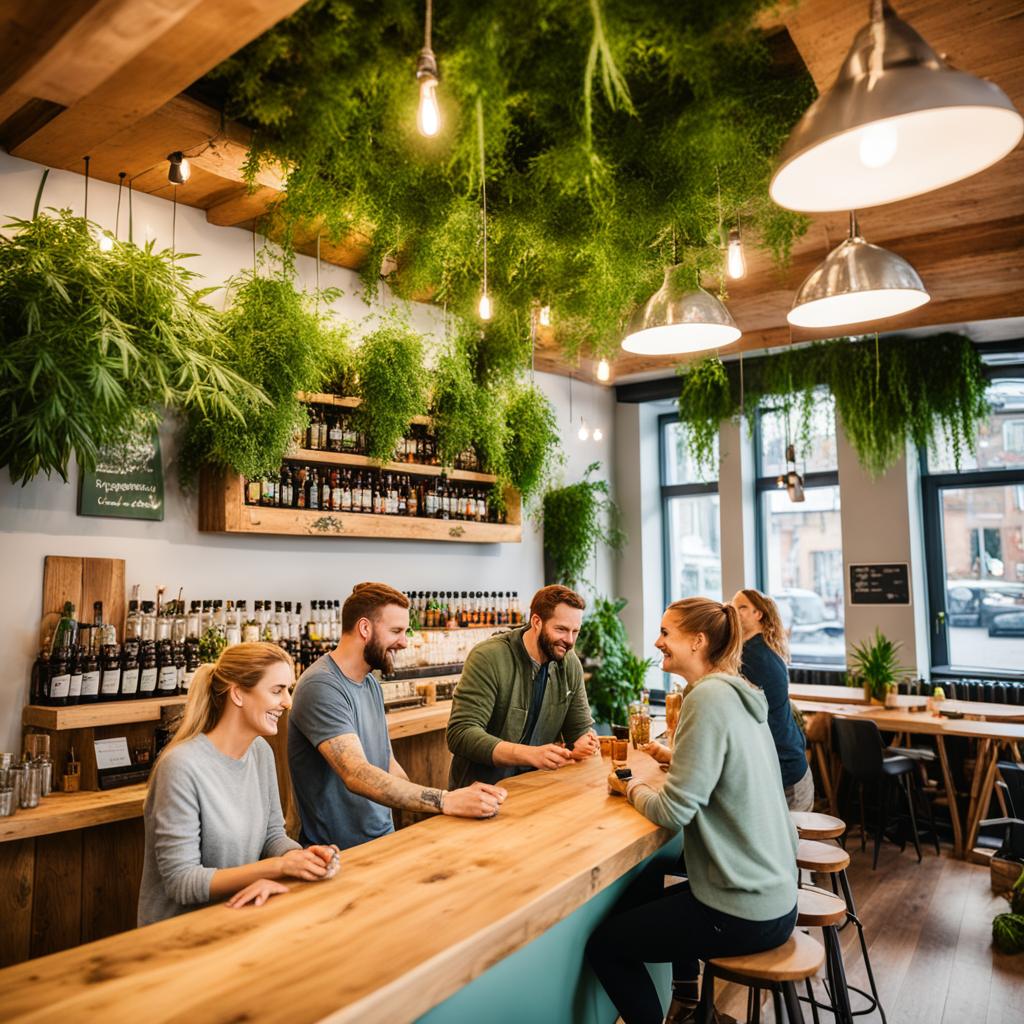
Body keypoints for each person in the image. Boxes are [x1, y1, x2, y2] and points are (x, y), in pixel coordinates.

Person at [586, 598, 798, 1024]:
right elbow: (718, 774)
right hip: (774, 894)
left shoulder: (708, 699)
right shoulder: (736, 691)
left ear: (698, 641)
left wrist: (630, 786)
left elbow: (673, 810)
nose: (657, 641)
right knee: (639, 902)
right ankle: (687, 1003)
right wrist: (672, 757)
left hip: (745, 909)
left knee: (605, 946)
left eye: (666, 633)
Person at [288, 582, 508, 851]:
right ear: (365, 628)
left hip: (382, 839)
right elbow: (356, 773)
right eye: (396, 631)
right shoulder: (321, 686)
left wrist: (434, 814)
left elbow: (388, 764)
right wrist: (444, 800)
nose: (404, 642)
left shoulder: (370, 683)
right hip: (336, 852)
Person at [138, 642, 337, 926]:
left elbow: (272, 837)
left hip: (236, 918)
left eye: (288, 689)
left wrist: (303, 858)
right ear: (238, 694)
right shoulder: (181, 766)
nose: (288, 702)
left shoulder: (260, 753)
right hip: (176, 937)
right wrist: (277, 868)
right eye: (277, 690)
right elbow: (181, 881)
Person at [446, 584, 599, 788]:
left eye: (575, 631)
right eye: (561, 629)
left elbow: (579, 729)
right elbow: (461, 733)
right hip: (481, 791)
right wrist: (531, 755)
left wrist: (583, 742)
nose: (569, 640)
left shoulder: (569, 663)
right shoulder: (489, 657)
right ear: (537, 622)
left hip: (536, 789)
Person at [731, 588, 814, 811]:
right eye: (733, 605)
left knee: (791, 846)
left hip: (786, 775)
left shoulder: (753, 656)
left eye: (742, 607)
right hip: (783, 768)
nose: (734, 611)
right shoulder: (752, 651)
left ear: (759, 614)